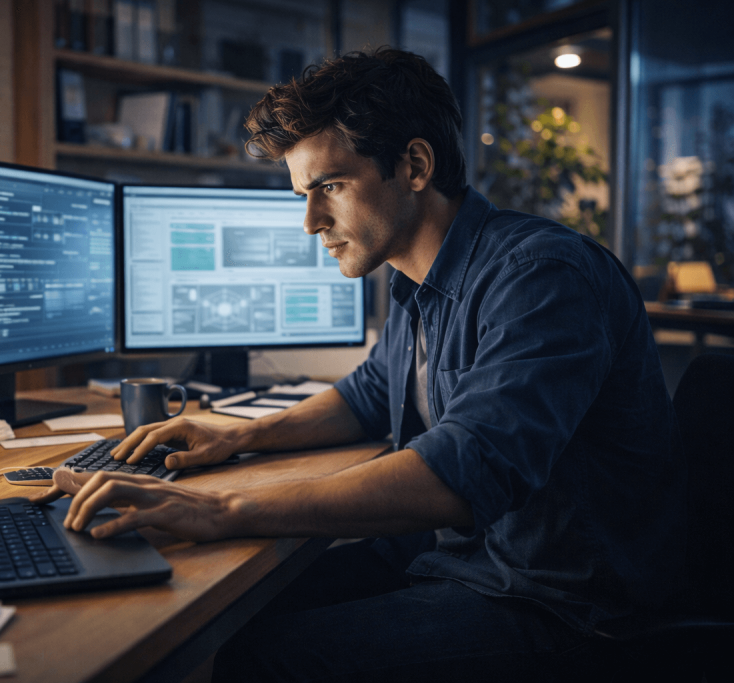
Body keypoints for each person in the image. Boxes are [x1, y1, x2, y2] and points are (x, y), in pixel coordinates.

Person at [40, 48, 687, 681]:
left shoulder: (543, 276)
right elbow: (370, 395)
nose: (310, 221)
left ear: (413, 164)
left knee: (258, 655)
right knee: (237, 610)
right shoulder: (418, 280)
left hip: (561, 607)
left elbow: (465, 473)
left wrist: (224, 508)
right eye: (303, 193)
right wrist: (237, 436)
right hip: (468, 558)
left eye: (330, 187)